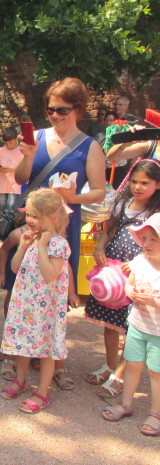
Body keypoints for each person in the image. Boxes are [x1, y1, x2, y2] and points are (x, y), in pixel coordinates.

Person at [15, 77, 106, 391]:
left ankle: (55, 360)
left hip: (63, 228)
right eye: (50, 109)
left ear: (78, 110)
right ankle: (24, 354)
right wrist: (27, 156)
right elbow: (20, 178)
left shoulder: (90, 146)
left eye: (62, 109)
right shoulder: (38, 136)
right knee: (26, 288)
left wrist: (72, 198)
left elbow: (99, 191)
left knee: (55, 294)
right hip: (32, 223)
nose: (54, 115)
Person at [84, 158, 160, 398]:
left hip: (138, 274)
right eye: (135, 181)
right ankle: (109, 365)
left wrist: (140, 264)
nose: (138, 187)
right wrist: (100, 245)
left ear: (157, 185)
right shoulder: (122, 204)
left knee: (132, 327)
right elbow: (109, 229)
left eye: (145, 183)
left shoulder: (156, 212)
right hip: (113, 271)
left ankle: (120, 375)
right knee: (110, 322)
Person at [0, 189, 71, 414]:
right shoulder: (31, 238)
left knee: (45, 351)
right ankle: (20, 380)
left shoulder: (58, 244)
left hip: (46, 310)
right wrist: (23, 246)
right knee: (23, 346)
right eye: (29, 215)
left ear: (54, 218)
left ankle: (42, 392)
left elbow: (50, 274)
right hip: (25, 305)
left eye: (36, 216)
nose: (30, 220)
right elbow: (14, 268)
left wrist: (41, 247)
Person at [101, 213, 160, 436]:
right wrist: (130, 292)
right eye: (144, 238)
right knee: (133, 365)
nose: (146, 244)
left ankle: (155, 413)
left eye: (153, 239)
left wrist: (154, 301)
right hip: (137, 325)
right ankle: (126, 404)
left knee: (156, 372)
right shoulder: (139, 261)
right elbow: (129, 286)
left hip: (157, 332)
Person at [0, 214, 27, 380]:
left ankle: (32, 353)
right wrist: (1, 273)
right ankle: (10, 354)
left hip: (40, 288)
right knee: (14, 316)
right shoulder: (18, 234)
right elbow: (5, 248)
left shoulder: (56, 237)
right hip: (18, 279)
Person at [0, 127, 23, 212]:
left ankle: (9, 225)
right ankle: (1, 223)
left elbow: (23, 169)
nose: (9, 145)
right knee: (1, 205)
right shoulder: (0, 150)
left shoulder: (21, 151)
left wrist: (11, 170)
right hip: (2, 183)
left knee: (11, 206)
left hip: (15, 185)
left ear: (16, 139)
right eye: (6, 143)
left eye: (11, 143)